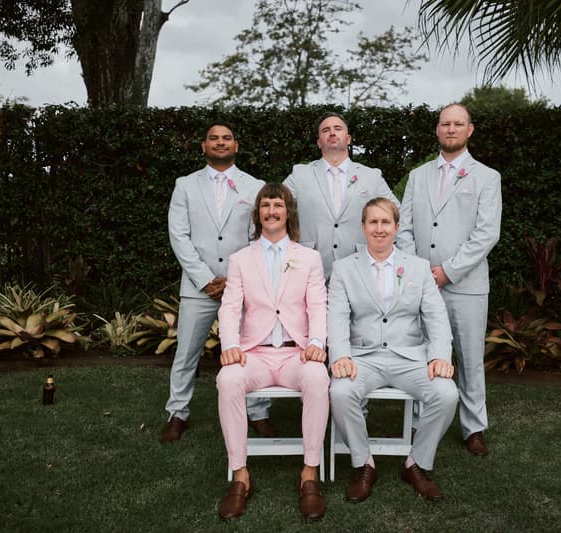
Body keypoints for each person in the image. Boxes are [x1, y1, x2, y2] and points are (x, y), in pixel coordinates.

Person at [329, 197, 459, 503]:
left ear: (396, 228)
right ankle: (364, 464)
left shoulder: (418, 267)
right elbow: (336, 315)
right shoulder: (344, 268)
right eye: (372, 222)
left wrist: (440, 355)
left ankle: (416, 463)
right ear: (363, 227)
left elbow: (436, 315)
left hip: (409, 356)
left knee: (447, 394)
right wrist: (341, 356)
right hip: (363, 358)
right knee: (340, 393)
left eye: (385, 222)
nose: (379, 229)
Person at [216, 183, 330, 521]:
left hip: (297, 353)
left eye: (277, 205)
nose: (271, 211)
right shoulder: (240, 259)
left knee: (317, 377)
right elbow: (229, 307)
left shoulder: (309, 257)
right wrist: (231, 346)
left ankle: (309, 473)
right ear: (258, 213)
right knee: (228, 380)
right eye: (265, 205)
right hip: (256, 354)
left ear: (288, 212)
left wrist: (317, 344)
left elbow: (319, 306)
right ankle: (240, 475)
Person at [396, 103, 502, 457]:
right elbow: (405, 227)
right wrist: (418, 269)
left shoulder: (487, 177)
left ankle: (474, 427)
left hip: (466, 285)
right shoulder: (418, 175)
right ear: (437, 130)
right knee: (423, 354)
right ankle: (419, 422)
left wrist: (447, 271)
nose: (451, 129)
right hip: (422, 284)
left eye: (458, 124)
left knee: (469, 358)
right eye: (446, 124)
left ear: (469, 130)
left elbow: (486, 235)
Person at [161, 122, 274, 443]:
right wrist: (205, 279)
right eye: (214, 139)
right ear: (203, 146)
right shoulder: (184, 185)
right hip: (198, 288)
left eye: (226, 138)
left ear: (236, 146)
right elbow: (179, 235)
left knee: (250, 351)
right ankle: (177, 412)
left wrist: (238, 278)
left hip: (242, 288)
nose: (220, 143)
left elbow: (260, 235)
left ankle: (259, 412)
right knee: (186, 354)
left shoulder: (255, 187)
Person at [283, 111, 399, 281]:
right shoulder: (300, 174)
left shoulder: (371, 176)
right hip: (310, 270)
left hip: (360, 269)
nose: (332, 133)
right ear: (318, 142)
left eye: (337, 128)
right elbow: (274, 207)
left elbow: (397, 214)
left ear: (348, 138)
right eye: (325, 130)